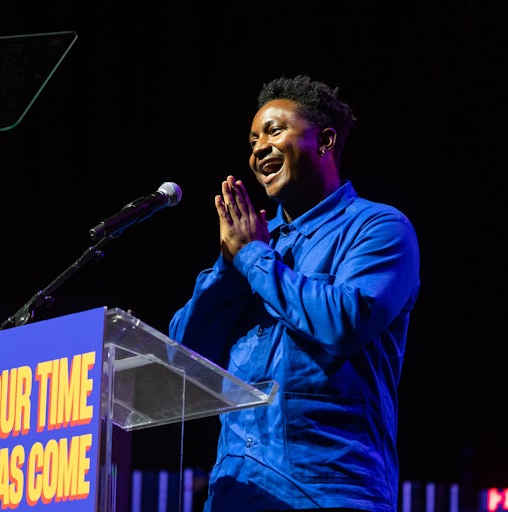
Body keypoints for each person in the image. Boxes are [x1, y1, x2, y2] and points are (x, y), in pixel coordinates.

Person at [168, 74, 420, 512]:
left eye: (274, 130)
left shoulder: (378, 228)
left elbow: (345, 322)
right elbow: (180, 358)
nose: (258, 148)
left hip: (329, 491)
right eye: (252, 140)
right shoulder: (256, 246)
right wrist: (230, 267)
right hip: (238, 492)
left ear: (324, 140)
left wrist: (253, 259)